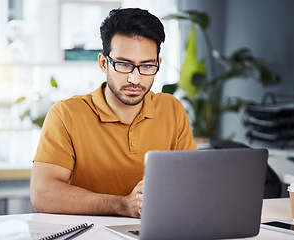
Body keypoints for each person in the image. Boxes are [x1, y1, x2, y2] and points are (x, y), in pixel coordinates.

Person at [30, 8, 197, 219]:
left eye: (146, 66)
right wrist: (123, 205)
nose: (135, 79)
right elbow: (42, 194)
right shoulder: (66, 114)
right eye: (124, 65)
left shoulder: (171, 109)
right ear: (103, 63)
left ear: (158, 64)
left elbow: (192, 182)